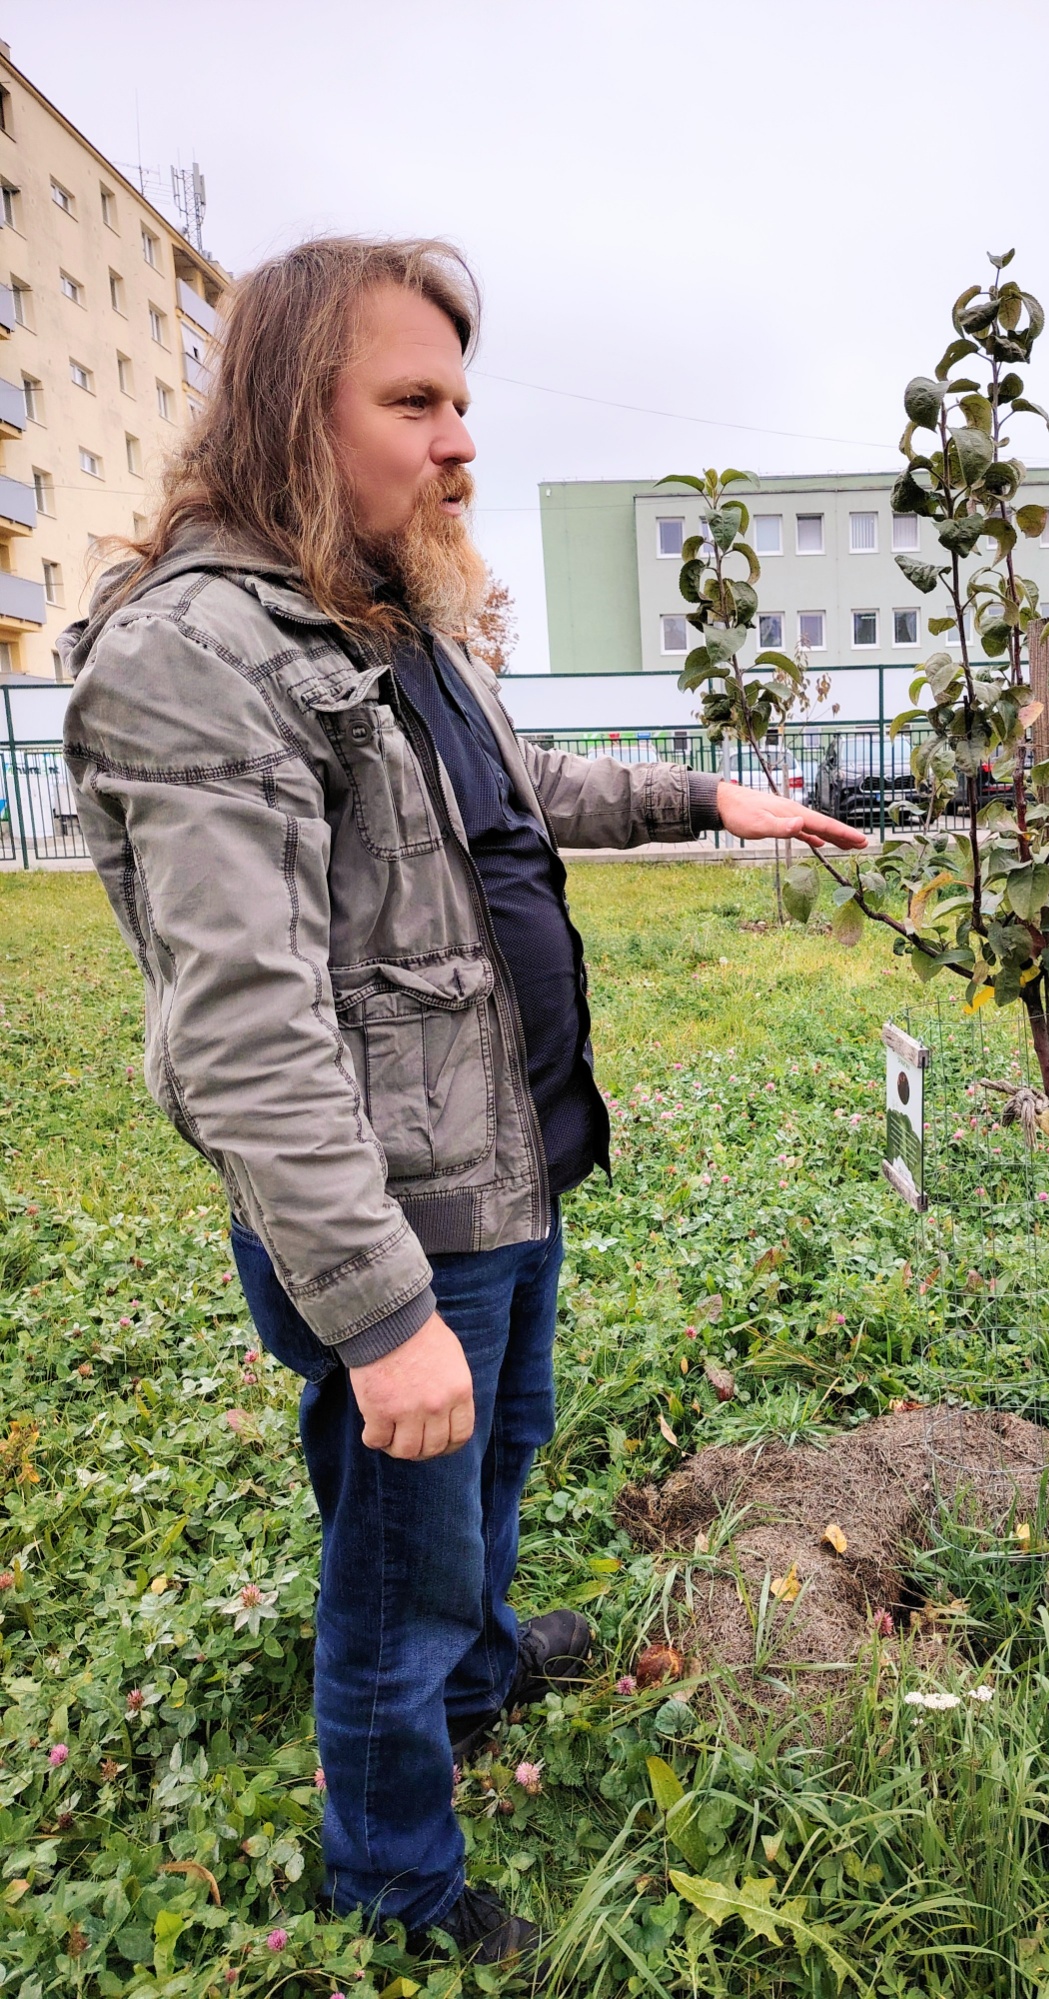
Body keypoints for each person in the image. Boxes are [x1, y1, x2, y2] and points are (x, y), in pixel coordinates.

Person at [60, 237, 866, 1969]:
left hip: (496, 1157)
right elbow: (248, 1036)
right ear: (297, 411)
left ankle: (485, 1668)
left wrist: (710, 798)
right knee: (394, 1555)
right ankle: (395, 1880)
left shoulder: (388, 614)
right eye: (412, 402)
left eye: (462, 403)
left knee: (498, 1454)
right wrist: (376, 1312)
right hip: (396, 1216)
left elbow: (529, 785)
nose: (458, 444)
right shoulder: (203, 657)